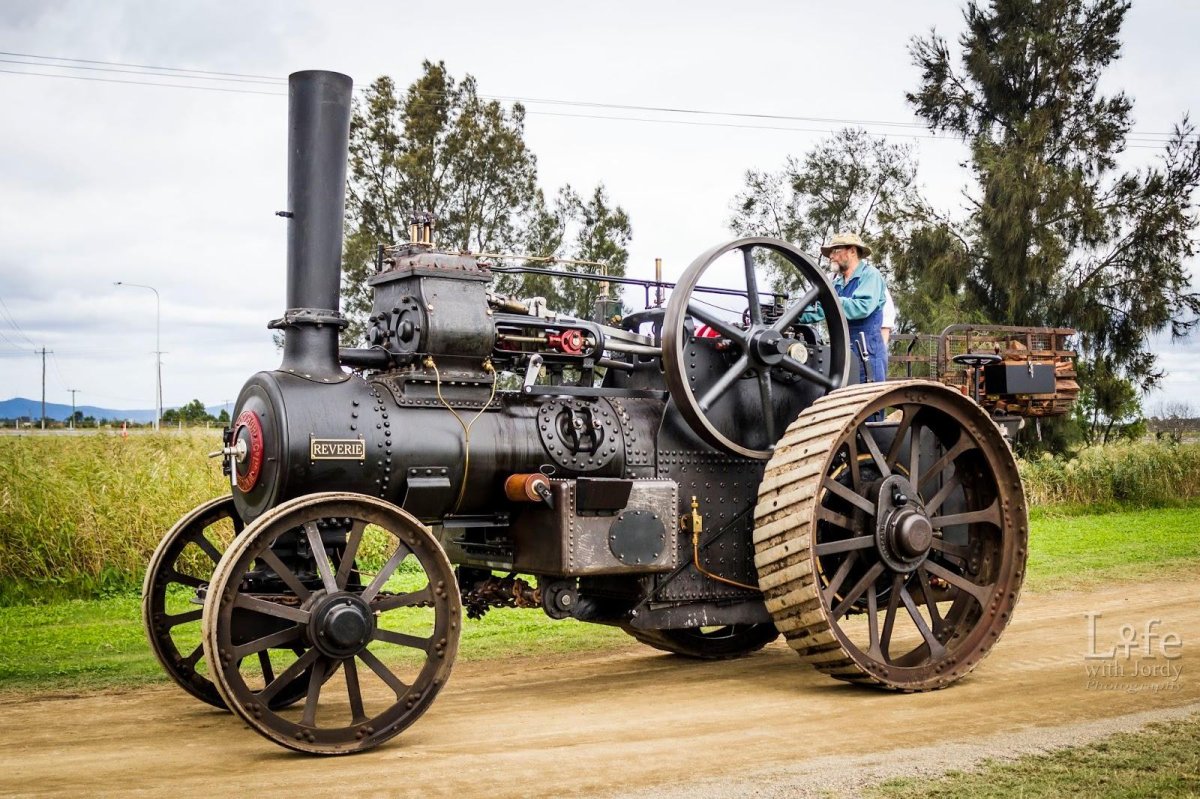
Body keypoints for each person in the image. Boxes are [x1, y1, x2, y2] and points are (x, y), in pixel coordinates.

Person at [799, 232, 888, 385]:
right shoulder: (837, 283)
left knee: (869, 403)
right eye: (830, 252)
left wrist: (832, 301)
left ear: (852, 251)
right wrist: (793, 315)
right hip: (844, 354)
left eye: (835, 250)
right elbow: (820, 309)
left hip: (868, 354)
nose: (831, 256)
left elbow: (862, 307)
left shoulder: (870, 276)